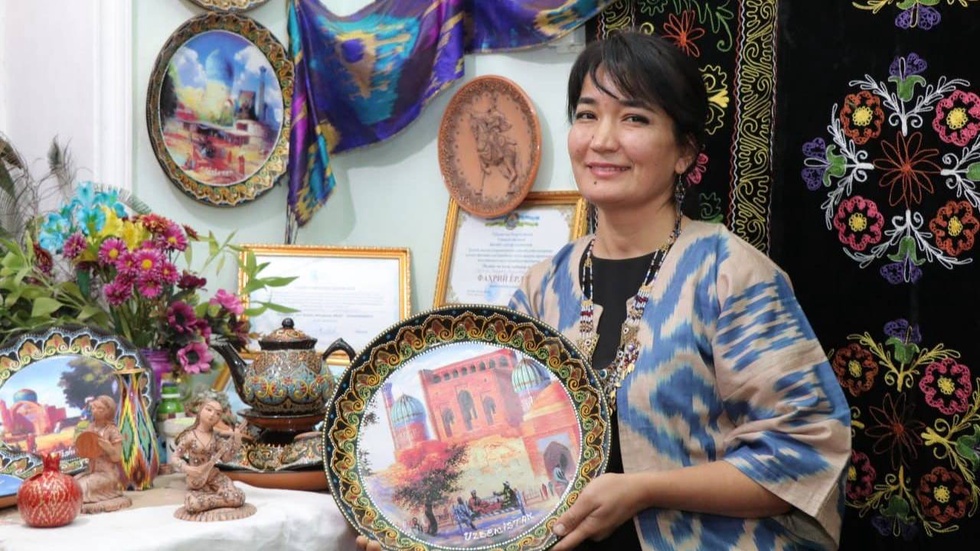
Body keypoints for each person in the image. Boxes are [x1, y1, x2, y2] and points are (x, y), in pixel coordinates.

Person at [357, 29, 850, 551]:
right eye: (587, 114)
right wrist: (415, 533)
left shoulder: (727, 274)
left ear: (684, 151)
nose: (602, 140)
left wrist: (645, 490)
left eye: (634, 118)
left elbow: (806, 451)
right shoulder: (542, 287)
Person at [171, 398, 253, 520]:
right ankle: (222, 499)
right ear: (200, 410)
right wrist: (188, 469)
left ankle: (210, 500)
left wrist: (236, 442)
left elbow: (226, 458)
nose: (212, 415)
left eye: (218, 414)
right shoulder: (190, 436)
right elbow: (175, 457)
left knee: (238, 497)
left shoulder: (216, 438)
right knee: (193, 504)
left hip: (213, 476)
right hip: (197, 479)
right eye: (209, 410)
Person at [74, 395, 132, 514]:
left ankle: (105, 494)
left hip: (107, 474)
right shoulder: (90, 428)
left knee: (83, 486)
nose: (95, 411)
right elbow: (85, 451)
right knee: (74, 482)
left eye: (100, 409)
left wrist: (108, 448)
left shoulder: (112, 431)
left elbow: (117, 457)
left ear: (108, 412)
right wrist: (81, 449)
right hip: (92, 472)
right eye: (93, 408)